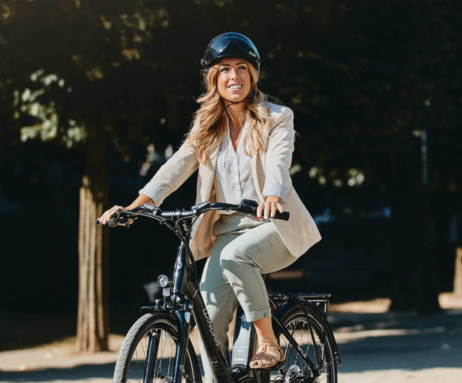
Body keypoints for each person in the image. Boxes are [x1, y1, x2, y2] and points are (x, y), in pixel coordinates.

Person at [98, 32, 321, 380]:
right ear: (213, 79)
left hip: (273, 225)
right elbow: (175, 168)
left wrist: (273, 194)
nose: (235, 76)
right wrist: (136, 205)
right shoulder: (207, 127)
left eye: (242, 68)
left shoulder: (276, 116)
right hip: (225, 233)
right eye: (225, 69)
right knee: (208, 323)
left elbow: (279, 160)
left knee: (237, 257)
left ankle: (268, 341)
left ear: (254, 74)